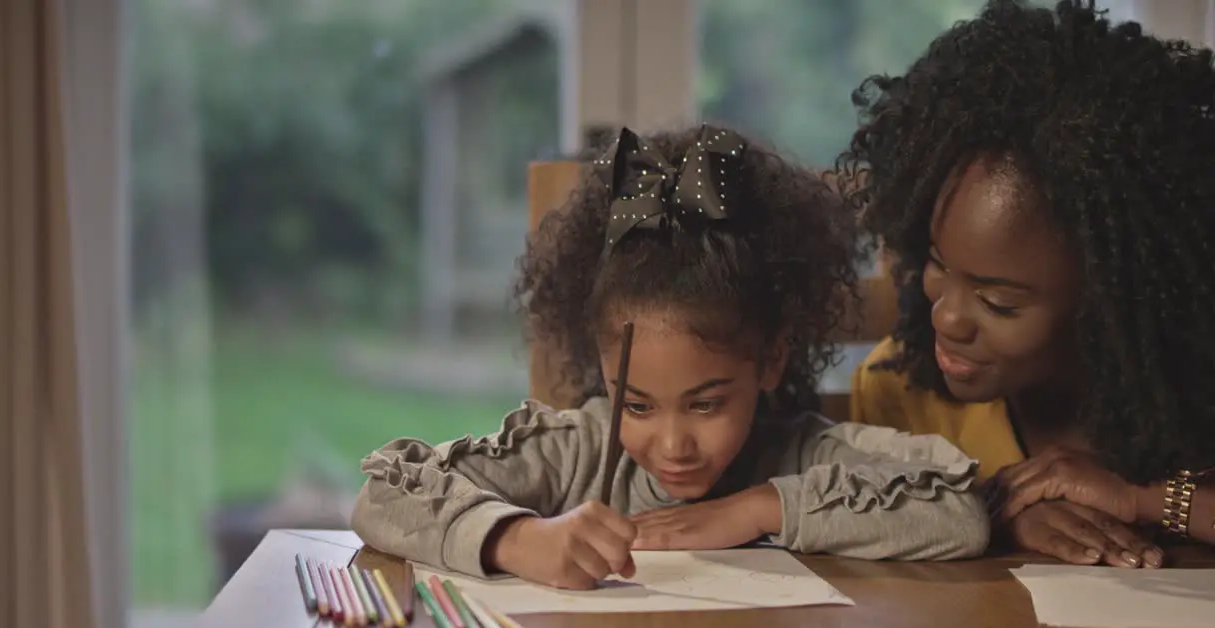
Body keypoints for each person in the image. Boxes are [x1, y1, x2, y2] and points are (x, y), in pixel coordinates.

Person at [351, 124, 989, 590]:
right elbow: (381, 496)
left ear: (770, 360)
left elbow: (960, 515)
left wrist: (759, 507)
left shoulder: (802, 455)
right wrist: (516, 539)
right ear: (605, 373)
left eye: (706, 403)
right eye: (637, 404)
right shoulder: (571, 452)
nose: (674, 443)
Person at [838, 0, 1215, 569]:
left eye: (997, 302)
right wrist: (991, 515)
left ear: (1110, 299)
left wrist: (1143, 499)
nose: (947, 317)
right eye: (937, 263)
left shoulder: (1193, 385)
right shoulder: (902, 391)